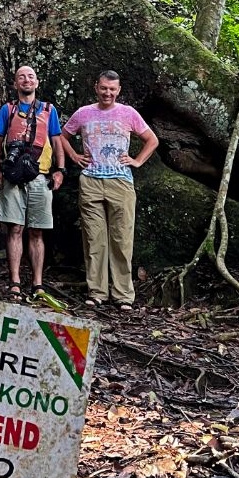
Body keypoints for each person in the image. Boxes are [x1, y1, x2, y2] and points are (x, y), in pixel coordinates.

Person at [61, 70, 159, 312]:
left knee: (122, 239)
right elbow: (61, 135)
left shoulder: (128, 113)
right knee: (94, 239)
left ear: (118, 90)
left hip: (121, 182)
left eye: (112, 89)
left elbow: (152, 139)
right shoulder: (84, 113)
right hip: (91, 182)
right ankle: (97, 292)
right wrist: (73, 155)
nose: (108, 93)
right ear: (96, 87)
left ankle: (124, 295)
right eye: (104, 88)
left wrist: (137, 161)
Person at [0, 65, 65, 302]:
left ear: (37, 82)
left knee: (37, 231)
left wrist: (60, 170)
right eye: (21, 77)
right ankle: (14, 281)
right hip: (13, 177)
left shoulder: (48, 110)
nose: (26, 80)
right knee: (15, 229)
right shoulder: (8, 110)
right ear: (15, 84)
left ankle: (37, 283)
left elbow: (56, 140)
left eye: (31, 76)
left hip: (40, 176)